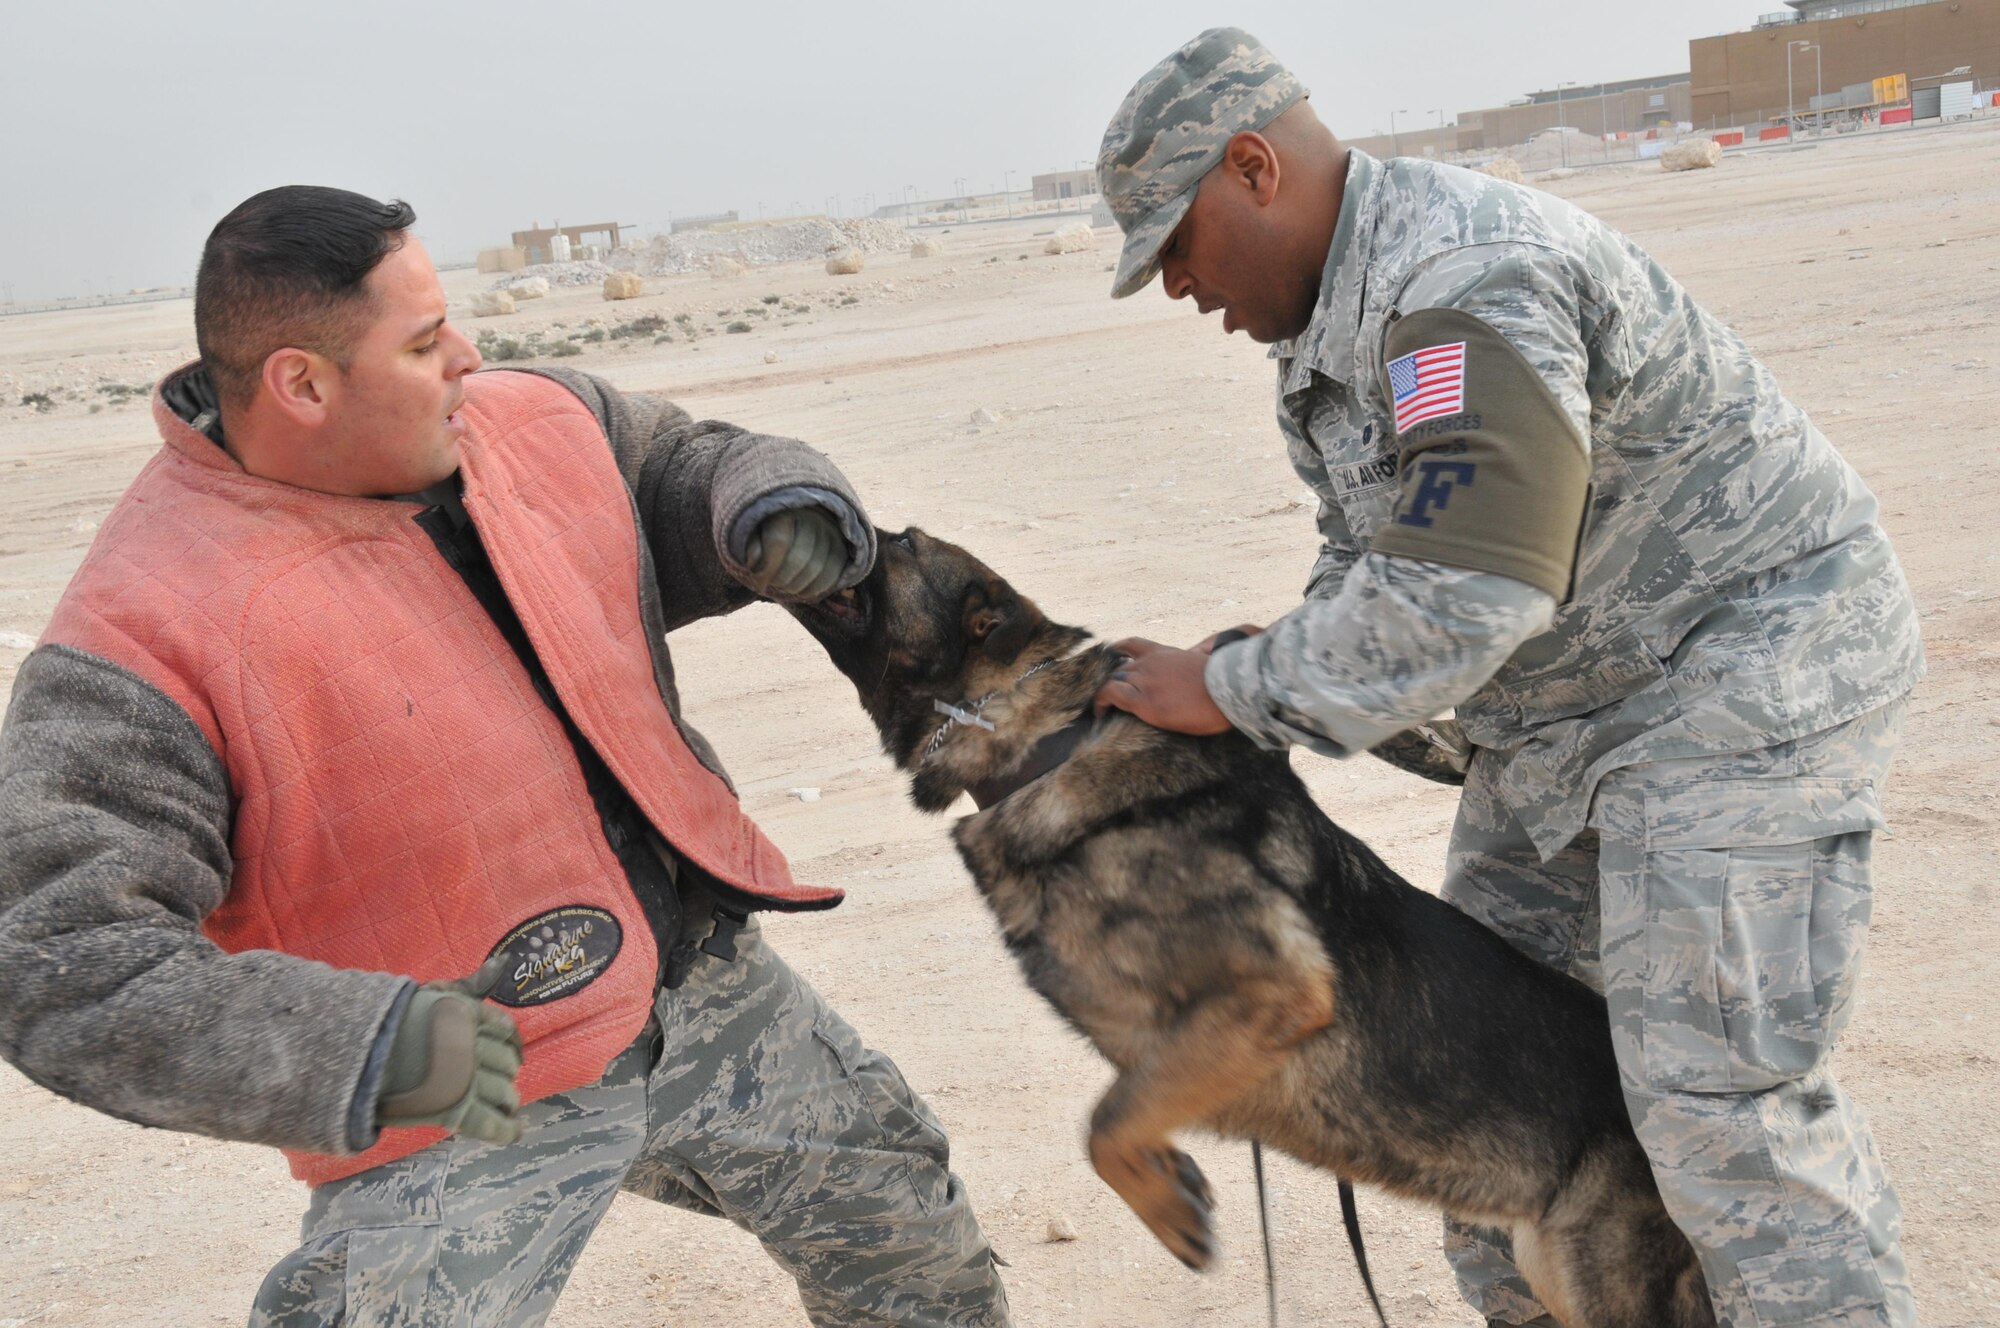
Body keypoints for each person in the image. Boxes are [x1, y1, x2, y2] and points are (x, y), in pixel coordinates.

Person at [0, 185, 1010, 1328]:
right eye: (426, 343)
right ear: (303, 383)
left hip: (699, 981)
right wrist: (374, 1048)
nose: (468, 358)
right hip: (462, 1084)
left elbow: (673, 461)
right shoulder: (145, 629)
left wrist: (763, 505)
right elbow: (63, 958)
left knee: (910, 1240)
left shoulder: (526, 422)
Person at [1088, 29, 1923, 1328]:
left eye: (1178, 244)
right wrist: (1244, 717)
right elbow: (1368, 570)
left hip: (1737, 681)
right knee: (1482, 1096)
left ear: (1252, 167)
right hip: (1561, 720)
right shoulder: (1331, 341)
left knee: (1721, 1121)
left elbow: (1467, 591)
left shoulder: (1464, 286)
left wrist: (1241, 685)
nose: (1180, 287)